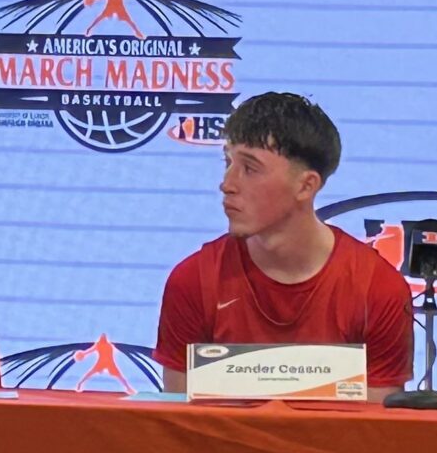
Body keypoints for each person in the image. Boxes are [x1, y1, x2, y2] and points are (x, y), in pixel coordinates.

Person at [153, 92, 411, 399]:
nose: (227, 184)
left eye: (250, 168)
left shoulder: (378, 290)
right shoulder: (193, 281)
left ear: (306, 186)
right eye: (228, 162)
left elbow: (376, 424)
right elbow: (179, 417)